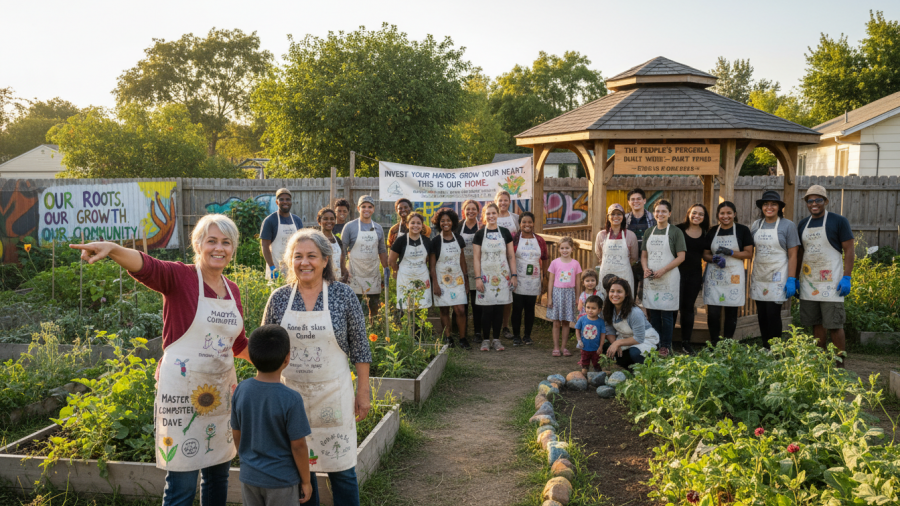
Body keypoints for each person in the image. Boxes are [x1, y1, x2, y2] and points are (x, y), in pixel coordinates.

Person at [71, 214, 249, 506]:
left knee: (218, 475)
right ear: (198, 244)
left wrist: (278, 367)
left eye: (226, 242)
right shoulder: (181, 277)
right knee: (182, 481)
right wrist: (113, 249)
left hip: (219, 394)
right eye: (212, 241)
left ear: (233, 249)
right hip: (181, 393)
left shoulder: (233, 290)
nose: (219, 248)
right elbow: (146, 265)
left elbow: (239, 344)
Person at [262, 228, 372, 506]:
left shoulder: (343, 296)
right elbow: (266, 352)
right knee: (302, 474)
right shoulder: (278, 298)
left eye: (312, 256)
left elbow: (360, 347)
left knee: (343, 471)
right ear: (290, 261)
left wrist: (363, 392)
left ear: (325, 260)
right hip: (290, 400)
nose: (305, 262)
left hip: (333, 397)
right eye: (298, 256)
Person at [232, 325, 312, 506]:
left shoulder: (241, 390)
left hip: (249, 477)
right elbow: (299, 445)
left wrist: (247, 460)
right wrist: (306, 481)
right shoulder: (291, 399)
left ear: (251, 357)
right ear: (287, 359)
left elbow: (236, 433)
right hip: (281, 480)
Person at [797, 185, 854, 366]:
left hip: (832, 282)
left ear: (825, 201)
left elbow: (849, 250)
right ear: (806, 203)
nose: (814, 204)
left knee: (835, 324)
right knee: (816, 323)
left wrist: (847, 277)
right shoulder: (802, 224)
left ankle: (839, 364)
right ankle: (820, 361)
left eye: (818, 200)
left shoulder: (838, 221)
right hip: (809, 282)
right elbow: (799, 253)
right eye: (810, 200)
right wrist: (795, 279)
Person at [750, 191, 800, 348]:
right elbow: (748, 249)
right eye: (766, 204)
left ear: (779, 207)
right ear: (762, 207)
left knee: (773, 313)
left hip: (778, 276)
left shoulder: (788, 225)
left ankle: (776, 348)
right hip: (760, 275)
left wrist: (792, 279)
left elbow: (793, 255)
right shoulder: (756, 225)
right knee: (762, 314)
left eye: (773, 204)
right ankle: (766, 346)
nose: (769, 207)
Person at [703, 201, 755, 345]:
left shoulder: (742, 230)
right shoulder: (712, 231)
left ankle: (727, 344)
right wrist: (713, 258)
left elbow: (749, 253)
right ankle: (714, 343)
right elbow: (705, 254)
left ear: (734, 214)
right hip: (714, 277)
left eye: (729, 213)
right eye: (722, 213)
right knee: (713, 313)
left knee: (731, 312)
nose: (725, 216)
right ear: (718, 215)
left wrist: (731, 252)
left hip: (733, 277)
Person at [641, 200, 686, 357]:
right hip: (652, 278)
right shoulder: (649, 232)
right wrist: (645, 268)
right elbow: (644, 255)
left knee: (666, 314)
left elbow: (681, 257)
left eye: (663, 211)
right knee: (653, 313)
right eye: (657, 211)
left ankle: (666, 345)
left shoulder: (675, 232)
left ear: (669, 213)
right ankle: (656, 343)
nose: (660, 214)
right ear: (654, 214)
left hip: (669, 277)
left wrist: (664, 270)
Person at [473, 202, 517, 352]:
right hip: (485, 276)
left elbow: (511, 256)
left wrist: (514, 275)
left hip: (502, 275)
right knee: (487, 308)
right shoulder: (479, 234)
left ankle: (497, 340)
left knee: (499, 307)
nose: (491, 216)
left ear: (498, 214)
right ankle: (486, 340)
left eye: (494, 213)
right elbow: (476, 258)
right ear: (484, 217)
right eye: (488, 214)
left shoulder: (505, 233)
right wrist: (478, 278)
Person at [342, 196, 389, 321]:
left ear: (373, 209)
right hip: (354, 274)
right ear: (358, 208)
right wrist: (343, 271)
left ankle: (374, 334)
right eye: (363, 206)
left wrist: (387, 270)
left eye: (369, 207)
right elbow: (342, 249)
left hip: (372, 273)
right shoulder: (349, 227)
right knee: (353, 308)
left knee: (374, 308)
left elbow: (382, 250)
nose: (366, 209)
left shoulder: (378, 228)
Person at [429, 208, 470, 349]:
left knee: (460, 310)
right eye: (442, 221)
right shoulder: (435, 241)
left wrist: (466, 281)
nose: (445, 223)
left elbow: (462, 261)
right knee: (444, 310)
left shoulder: (459, 239)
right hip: (442, 281)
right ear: (438, 223)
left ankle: (463, 339)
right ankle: (448, 337)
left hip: (458, 279)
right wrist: (435, 284)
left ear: (453, 222)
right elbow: (432, 265)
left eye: (448, 220)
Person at [603, 278, 660, 370]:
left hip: (645, 339)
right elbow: (609, 330)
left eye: (619, 292)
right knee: (608, 350)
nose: (615, 294)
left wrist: (618, 343)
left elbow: (639, 338)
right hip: (626, 339)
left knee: (635, 353)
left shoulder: (634, 312)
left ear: (626, 294)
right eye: (612, 291)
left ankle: (647, 368)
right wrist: (614, 344)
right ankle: (632, 369)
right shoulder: (609, 309)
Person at [675, 204, 710, 355]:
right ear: (689, 213)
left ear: (704, 217)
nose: (697, 216)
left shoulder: (706, 233)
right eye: (694, 213)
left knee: (688, 309)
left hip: (694, 274)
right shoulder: (678, 230)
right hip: (676, 273)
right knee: (672, 307)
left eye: (700, 214)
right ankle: (665, 342)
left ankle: (686, 343)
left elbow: (706, 254)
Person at [511, 212, 549, 346]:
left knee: (530, 308)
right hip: (518, 279)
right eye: (524, 222)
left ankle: (527, 336)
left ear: (533, 223)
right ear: (519, 224)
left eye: (529, 222)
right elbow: (510, 258)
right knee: (517, 308)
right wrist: (512, 276)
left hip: (534, 279)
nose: (527, 225)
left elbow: (544, 259)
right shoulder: (515, 239)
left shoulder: (539, 240)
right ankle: (516, 336)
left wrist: (545, 278)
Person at [547, 237, 582, 357]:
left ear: (572, 249)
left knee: (566, 322)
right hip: (557, 294)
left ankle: (564, 347)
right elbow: (551, 281)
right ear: (559, 249)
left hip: (569, 294)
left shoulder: (575, 264)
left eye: (567, 248)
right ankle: (556, 347)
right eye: (562, 248)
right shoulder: (554, 263)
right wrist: (550, 297)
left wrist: (578, 298)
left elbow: (578, 282)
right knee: (556, 322)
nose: (564, 250)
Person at [389, 212, 433, 310]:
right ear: (407, 225)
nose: (415, 225)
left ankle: (421, 326)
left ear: (422, 225)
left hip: (422, 276)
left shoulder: (427, 241)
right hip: (405, 278)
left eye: (418, 223)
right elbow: (391, 260)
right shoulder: (400, 241)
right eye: (412, 223)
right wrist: (396, 271)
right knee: (406, 307)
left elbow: (428, 259)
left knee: (422, 307)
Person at [595, 203, 638, 299]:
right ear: (608, 217)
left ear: (623, 217)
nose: (616, 217)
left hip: (624, 274)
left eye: (619, 214)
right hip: (606, 274)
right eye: (612, 214)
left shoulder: (631, 235)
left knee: (624, 300)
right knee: (606, 300)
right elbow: (598, 253)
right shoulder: (601, 235)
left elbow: (634, 257)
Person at [261, 188, 304, 280]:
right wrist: (272, 267)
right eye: (281, 199)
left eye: (288, 199)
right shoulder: (270, 221)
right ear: (277, 202)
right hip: (276, 268)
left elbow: (302, 244)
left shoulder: (297, 220)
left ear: (291, 202)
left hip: (294, 268)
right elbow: (265, 246)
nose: (285, 202)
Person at [494, 190, 519, 339]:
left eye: (506, 200)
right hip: (494, 262)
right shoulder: (491, 217)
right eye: (500, 200)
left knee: (508, 293)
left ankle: (505, 326)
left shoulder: (515, 218)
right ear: (496, 202)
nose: (503, 203)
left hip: (511, 260)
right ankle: (494, 324)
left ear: (509, 202)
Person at [457, 200, 482, 342]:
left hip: (478, 270)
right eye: (468, 209)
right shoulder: (458, 226)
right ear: (463, 211)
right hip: (461, 269)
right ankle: (462, 332)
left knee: (477, 303)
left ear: (478, 212)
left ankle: (478, 332)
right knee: (462, 302)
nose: (471, 211)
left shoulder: (482, 227)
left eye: (474, 209)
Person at [625, 189, 656, 302]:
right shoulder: (624, 219)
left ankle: (647, 319)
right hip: (629, 263)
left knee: (646, 296)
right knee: (628, 295)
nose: (635, 201)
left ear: (644, 201)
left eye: (638, 199)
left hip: (648, 263)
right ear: (629, 202)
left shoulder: (654, 219)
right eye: (632, 199)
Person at [575, 295, 606, 375]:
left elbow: (603, 334)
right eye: (588, 307)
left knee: (597, 365)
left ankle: (598, 378)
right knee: (585, 364)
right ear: (585, 307)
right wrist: (579, 340)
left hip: (596, 349)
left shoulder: (600, 322)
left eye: (593, 308)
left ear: (599, 310)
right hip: (584, 348)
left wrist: (601, 346)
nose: (590, 310)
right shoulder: (582, 319)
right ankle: (584, 378)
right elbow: (577, 329)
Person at [318, 207, 348, 283]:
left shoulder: (338, 240)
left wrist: (345, 275)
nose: (329, 221)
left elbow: (342, 262)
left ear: (335, 221)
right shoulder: (316, 239)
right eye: (325, 219)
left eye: (332, 219)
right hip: (321, 279)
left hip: (338, 280)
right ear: (319, 221)